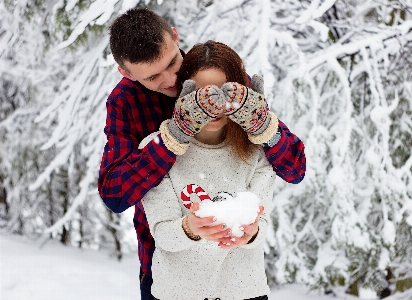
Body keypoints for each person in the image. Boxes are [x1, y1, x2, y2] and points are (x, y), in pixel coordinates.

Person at [98, 7, 306, 300]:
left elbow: (295, 168)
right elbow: (115, 194)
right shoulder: (125, 102)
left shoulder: (214, 75)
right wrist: (173, 139)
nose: (171, 79)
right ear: (127, 73)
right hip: (167, 271)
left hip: (238, 276)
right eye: (153, 77)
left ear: (174, 35)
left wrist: (264, 126)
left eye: (172, 62)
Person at [141, 40, 274, 300]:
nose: (214, 105)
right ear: (184, 94)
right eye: (203, 94)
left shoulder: (257, 149)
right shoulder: (157, 149)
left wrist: (252, 233)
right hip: (176, 294)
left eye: (224, 93)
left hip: (245, 292)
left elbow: (263, 224)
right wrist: (190, 228)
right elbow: (163, 233)